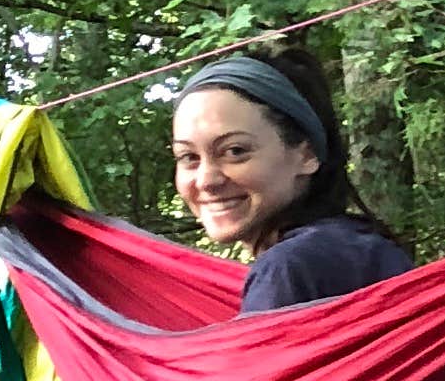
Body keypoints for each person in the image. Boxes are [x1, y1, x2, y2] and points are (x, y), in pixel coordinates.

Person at [170, 48, 414, 311]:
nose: (206, 180)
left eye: (235, 151)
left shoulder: (290, 267)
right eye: (188, 157)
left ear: (306, 155)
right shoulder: (364, 247)